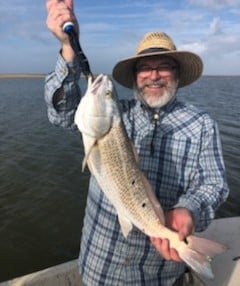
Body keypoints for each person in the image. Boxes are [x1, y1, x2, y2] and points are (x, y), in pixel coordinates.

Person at [45, 1, 229, 285]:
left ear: (178, 74)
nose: (153, 75)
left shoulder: (202, 124)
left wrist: (188, 208)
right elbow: (62, 115)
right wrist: (69, 48)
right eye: (144, 67)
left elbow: (214, 184)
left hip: (159, 274)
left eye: (164, 66)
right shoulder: (118, 115)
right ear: (135, 77)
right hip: (99, 268)